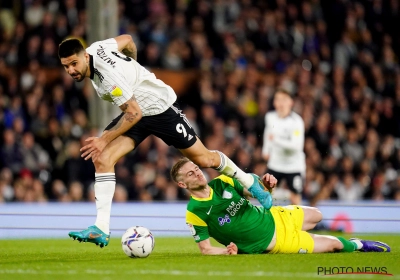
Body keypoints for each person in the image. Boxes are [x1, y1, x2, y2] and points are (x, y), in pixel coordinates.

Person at [57, 35, 270, 248]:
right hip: (136, 110)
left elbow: (134, 113)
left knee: (205, 159)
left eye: (74, 64)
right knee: (102, 158)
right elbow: (128, 40)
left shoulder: (107, 75)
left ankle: (251, 183)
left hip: (159, 109)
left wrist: (104, 139)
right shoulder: (98, 48)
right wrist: (133, 67)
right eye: (66, 66)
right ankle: (101, 228)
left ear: (85, 56)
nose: (71, 70)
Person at [170, 157, 391, 255]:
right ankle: (359, 245)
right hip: (275, 242)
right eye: (190, 173)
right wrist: (226, 252)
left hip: (276, 216)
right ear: (182, 184)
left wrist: (266, 185)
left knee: (318, 215)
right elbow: (206, 249)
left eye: (196, 168)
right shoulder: (194, 213)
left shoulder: (222, 182)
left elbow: (254, 190)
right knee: (336, 245)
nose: (197, 172)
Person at [262, 89, 305, 205]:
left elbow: (296, 147)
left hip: (293, 166)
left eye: (284, 100)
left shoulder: (297, 122)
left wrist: (276, 140)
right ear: (274, 102)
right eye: (278, 99)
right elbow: (268, 132)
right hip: (275, 163)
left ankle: (295, 222)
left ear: (291, 102)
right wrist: (265, 149)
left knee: (296, 199)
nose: (281, 103)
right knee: (265, 193)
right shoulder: (270, 117)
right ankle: (269, 221)